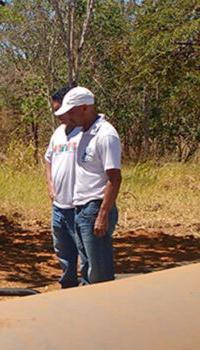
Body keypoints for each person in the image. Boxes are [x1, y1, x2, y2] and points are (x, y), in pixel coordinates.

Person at [54, 86, 122, 284]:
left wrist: (102, 215)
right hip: (80, 208)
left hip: (95, 208)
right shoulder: (84, 134)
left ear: (85, 108)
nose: (68, 117)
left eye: (71, 112)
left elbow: (114, 178)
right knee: (86, 267)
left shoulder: (105, 135)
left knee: (99, 271)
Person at [44, 86, 84, 289]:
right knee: (63, 250)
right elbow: (48, 159)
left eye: (61, 109)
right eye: (55, 109)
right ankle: (68, 284)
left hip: (80, 205)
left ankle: (89, 286)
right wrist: (50, 184)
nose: (58, 114)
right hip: (59, 205)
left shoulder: (85, 132)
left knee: (85, 251)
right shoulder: (58, 134)